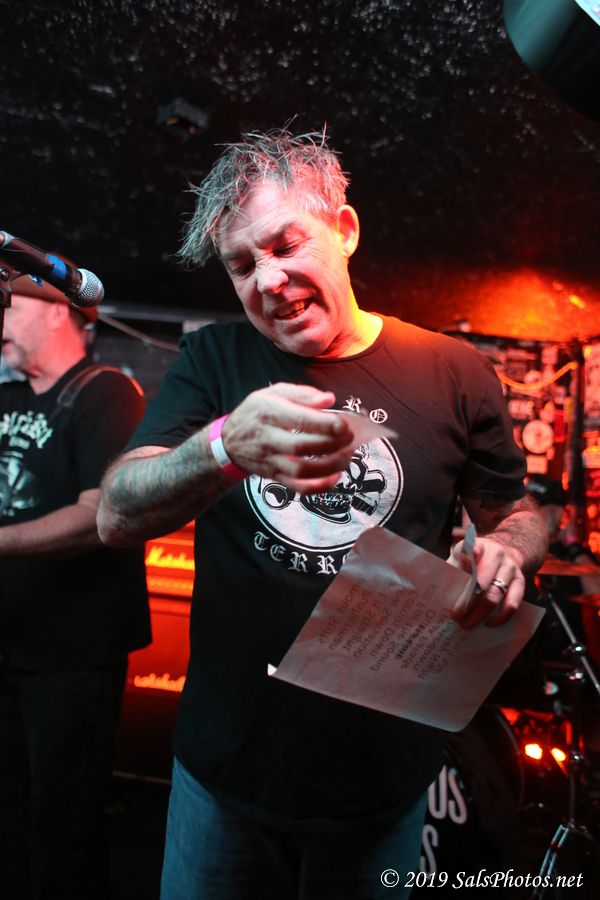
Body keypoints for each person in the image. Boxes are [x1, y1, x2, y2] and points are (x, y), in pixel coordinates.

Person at [97, 128, 548, 900]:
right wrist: (222, 447)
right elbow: (115, 512)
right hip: (226, 770)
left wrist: (510, 548)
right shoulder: (213, 362)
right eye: (242, 266)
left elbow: (517, 510)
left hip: (382, 775)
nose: (269, 280)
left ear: (345, 229)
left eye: (285, 244)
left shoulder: (454, 370)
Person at [0, 271, 151, 899]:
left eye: (10, 307)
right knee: (11, 815)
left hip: (71, 654)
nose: (0, 322)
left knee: (64, 824)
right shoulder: (7, 398)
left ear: (58, 311)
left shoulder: (107, 393)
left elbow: (99, 516)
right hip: (9, 643)